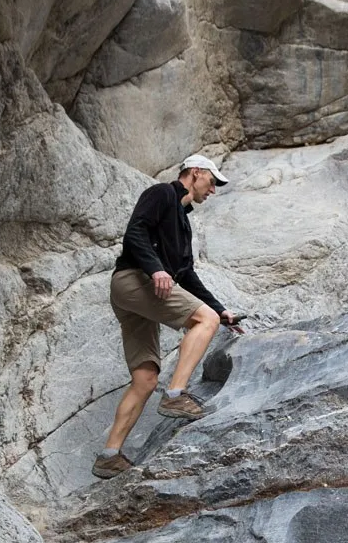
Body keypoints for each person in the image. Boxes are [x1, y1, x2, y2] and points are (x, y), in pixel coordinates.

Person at [92, 154, 244, 479]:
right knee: (203, 321)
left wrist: (221, 310)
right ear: (196, 172)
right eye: (212, 182)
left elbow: (187, 275)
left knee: (145, 378)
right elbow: (135, 233)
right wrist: (156, 269)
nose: (213, 191)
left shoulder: (182, 223)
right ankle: (176, 396)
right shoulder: (161, 193)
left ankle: (109, 455)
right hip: (134, 279)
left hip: (138, 290)